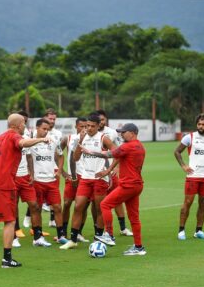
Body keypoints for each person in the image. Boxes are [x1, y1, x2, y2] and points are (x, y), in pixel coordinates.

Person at [0, 113, 49, 268]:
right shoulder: (13, 136)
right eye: (23, 124)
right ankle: (7, 259)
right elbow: (23, 143)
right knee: (10, 220)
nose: (25, 126)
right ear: (17, 125)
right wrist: (40, 139)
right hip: (5, 184)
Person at [82, 123, 147, 256]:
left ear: (133, 133)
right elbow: (119, 156)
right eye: (120, 132)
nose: (121, 134)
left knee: (105, 204)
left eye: (124, 132)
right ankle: (139, 247)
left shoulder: (128, 146)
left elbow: (110, 154)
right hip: (137, 185)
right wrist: (109, 170)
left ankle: (109, 235)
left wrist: (90, 152)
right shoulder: (140, 145)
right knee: (134, 217)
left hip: (128, 185)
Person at [60, 113, 116, 250]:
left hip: (99, 179)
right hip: (85, 178)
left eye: (92, 126)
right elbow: (76, 158)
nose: (89, 128)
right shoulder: (82, 137)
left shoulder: (104, 138)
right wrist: (80, 142)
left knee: (99, 209)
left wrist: (108, 171)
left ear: (98, 126)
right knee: (78, 206)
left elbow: (118, 153)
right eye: (87, 126)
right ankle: (73, 239)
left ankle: (99, 237)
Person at [174, 114, 204, 240]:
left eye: (203, 124)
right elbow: (177, 152)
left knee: (203, 204)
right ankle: (181, 231)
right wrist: (183, 166)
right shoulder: (190, 137)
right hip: (193, 176)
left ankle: (198, 231)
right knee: (187, 202)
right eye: (199, 124)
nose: (200, 126)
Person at [31, 118, 68, 244]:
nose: (46, 131)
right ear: (37, 128)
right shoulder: (30, 142)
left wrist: (59, 170)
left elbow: (61, 155)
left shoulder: (53, 141)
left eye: (48, 129)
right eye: (43, 129)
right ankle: (37, 237)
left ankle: (61, 236)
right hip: (37, 181)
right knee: (37, 208)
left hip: (51, 181)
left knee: (57, 207)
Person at [97, 109, 133, 236]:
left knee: (117, 200)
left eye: (102, 120)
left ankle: (123, 228)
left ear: (106, 120)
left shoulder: (112, 133)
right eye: (99, 120)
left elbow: (119, 150)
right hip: (97, 173)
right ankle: (100, 230)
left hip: (110, 172)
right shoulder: (90, 133)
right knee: (96, 203)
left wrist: (116, 168)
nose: (101, 122)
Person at [13, 111, 46, 248]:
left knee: (34, 205)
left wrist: (31, 173)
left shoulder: (26, 136)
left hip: (25, 177)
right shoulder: (9, 137)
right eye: (22, 123)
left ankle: (37, 237)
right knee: (12, 207)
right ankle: (13, 236)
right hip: (13, 177)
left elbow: (28, 156)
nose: (24, 125)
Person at [60, 117, 88, 243]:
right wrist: (63, 172)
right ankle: (63, 233)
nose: (84, 129)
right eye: (81, 126)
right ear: (76, 126)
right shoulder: (68, 138)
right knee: (66, 204)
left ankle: (79, 232)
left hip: (86, 176)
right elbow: (57, 154)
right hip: (72, 176)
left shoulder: (90, 140)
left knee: (82, 206)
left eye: (86, 126)